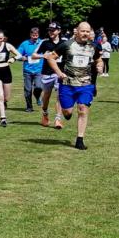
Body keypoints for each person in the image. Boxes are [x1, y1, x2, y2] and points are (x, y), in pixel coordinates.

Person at [46, 21, 103, 150]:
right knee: (67, 112)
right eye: (83, 31)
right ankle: (66, 113)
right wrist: (59, 72)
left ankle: (80, 139)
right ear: (77, 31)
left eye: (87, 31)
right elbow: (50, 58)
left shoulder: (94, 46)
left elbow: (99, 60)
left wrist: (100, 66)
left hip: (86, 83)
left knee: (82, 109)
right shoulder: (66, 45)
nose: (85, 33)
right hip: (67, 84)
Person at [34, 23, 66, 129]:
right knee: (46, 96)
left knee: (60, 95)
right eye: (49, 30)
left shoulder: (64, 43)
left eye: (53, 30)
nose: (51, 32)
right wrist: (43, 55)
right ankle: (45, 114)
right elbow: (34, 55)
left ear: (59, 31)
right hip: (47, 73)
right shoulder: (44, 43)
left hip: (60, 73)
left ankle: (58, 119)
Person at [16, 27, 44, 112]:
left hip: (39, 70)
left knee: (39, 87)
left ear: (38, 35)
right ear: (30, 34)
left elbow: (48, 53)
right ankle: (29, 107)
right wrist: (22, 58)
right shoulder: (25, 44)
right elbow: (17, 55)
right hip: (27, 70)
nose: (35, 36)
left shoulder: (42, 43)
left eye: (36, 35)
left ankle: (37, 96)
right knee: (28, 90)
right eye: (33, 35)